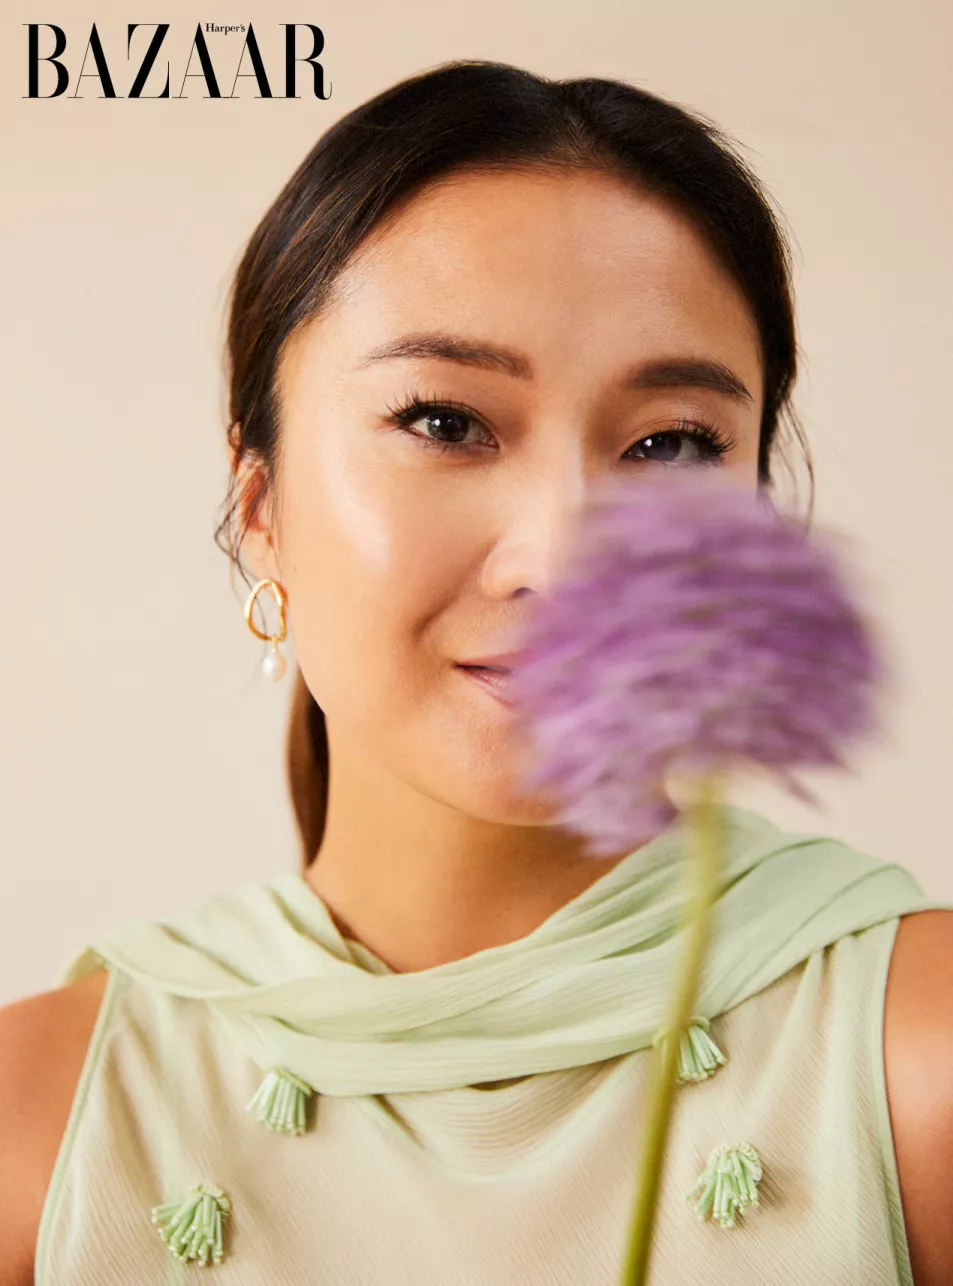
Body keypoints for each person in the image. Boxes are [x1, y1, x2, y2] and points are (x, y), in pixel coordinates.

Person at [2, 59, 952, 1286]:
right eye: (446, 422)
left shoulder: (914, 1062)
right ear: (260, 507)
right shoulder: (43, 1134)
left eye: (669, 444)